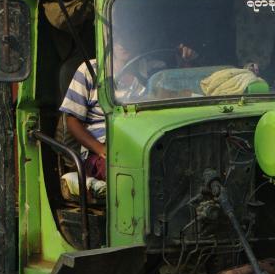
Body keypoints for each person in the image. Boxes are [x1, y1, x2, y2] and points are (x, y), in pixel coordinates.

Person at [61, 42, 198, 180]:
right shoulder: (89, 69)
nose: (123, 44)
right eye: (118, 36)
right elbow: (72, 120)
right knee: (126, 172)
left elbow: (178, 97)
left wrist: (185, 63)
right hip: (104, 151)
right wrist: (100, 148)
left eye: (128, 34)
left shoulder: (155, 69)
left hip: (149, 143)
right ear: (108, 37)